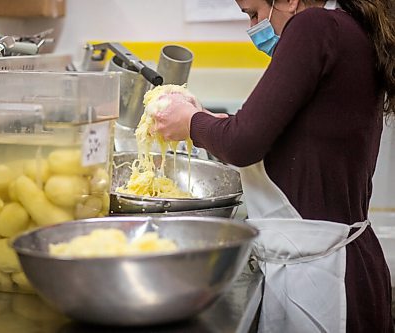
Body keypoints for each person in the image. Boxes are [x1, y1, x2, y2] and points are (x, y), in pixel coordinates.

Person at [151, 0, 395, 332]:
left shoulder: (315, 25)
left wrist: (192, 124)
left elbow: (243, 143)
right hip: (339, 264)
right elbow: (293, 140)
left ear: (289, 1)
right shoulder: (348, 27)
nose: (253, 27)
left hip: (323, 280)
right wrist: (214, 126)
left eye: (253, 13)